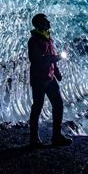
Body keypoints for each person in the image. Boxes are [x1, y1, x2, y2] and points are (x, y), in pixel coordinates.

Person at [28, 13, 72, 147]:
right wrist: (57, 58)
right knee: (37, 107)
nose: (49, 24)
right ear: (40, 24)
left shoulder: (48, 39)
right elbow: (36, 60)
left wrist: (56, 72)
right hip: (39, 79)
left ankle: (56, 136)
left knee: (58, 104)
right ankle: (34, 138)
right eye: (46, 22)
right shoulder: (34, 40)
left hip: (50, 77)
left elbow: (51, 57)